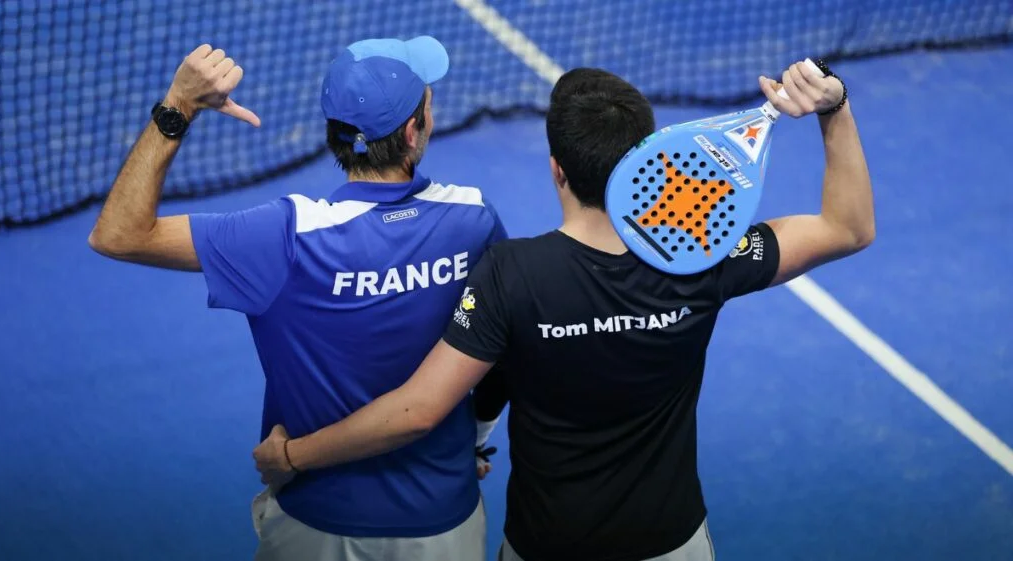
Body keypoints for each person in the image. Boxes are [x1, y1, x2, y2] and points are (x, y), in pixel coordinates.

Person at [253, 60, 874, 561]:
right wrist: (835, 107)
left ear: (556, 170)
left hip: (548, 545)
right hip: (671, 542)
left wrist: (293, 457)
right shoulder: (705, 259)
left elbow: (418, 410)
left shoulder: (511, 275)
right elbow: (848, 228)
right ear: (648, 157)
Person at [88, 36, 507, 561]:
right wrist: (473, 440)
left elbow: (118, 235)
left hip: (318, 527)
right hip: (444, 526)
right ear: (412, 131)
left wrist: (179, 105)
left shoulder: (284, 236)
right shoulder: (474, 219)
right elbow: (498, 355)